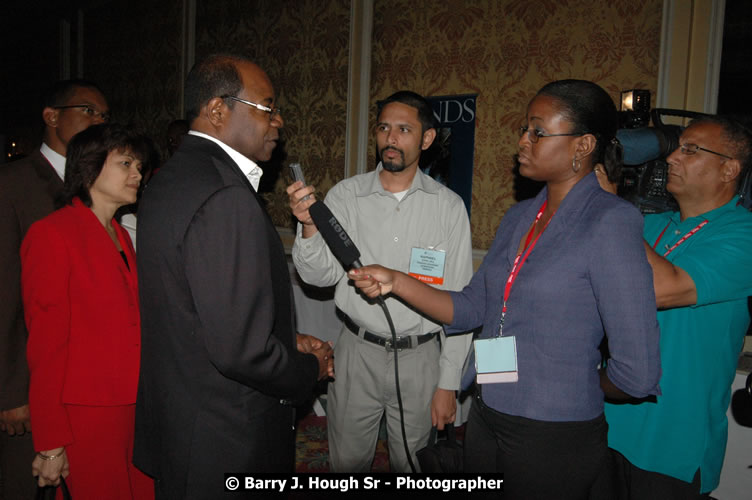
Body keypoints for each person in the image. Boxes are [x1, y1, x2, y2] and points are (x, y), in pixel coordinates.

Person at [349, 80, 662, 498]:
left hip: (552, 431)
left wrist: (576, 379)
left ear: (583, 146)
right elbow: (472, 307)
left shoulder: (609, 222)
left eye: (538, 131)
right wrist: (397, 281)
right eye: (523, 130)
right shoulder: (519, 217)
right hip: (486, 412)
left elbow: (637, 374)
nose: (522, 142)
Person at [133, 54, 333, 499]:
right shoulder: (225, 194)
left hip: (184, 422)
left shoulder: (171, 179)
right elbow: (241, 352)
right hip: (226, 441)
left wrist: (281, 337)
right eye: (268, 107)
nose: (278, 121)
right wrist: (306, 369)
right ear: (218, 110)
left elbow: (196, 308)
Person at [288, 90, 474, 472]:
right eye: (384, 128)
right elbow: (316, 275)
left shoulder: (448, 207)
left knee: (415, 465)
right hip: (357, 352)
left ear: (426, 139)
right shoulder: (347, 195)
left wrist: (448, 382)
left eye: (404, 129)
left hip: (421, 358)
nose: (391, 138)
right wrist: (308, 226)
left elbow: (459, 304)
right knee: (348, 463)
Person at [604, 116, 752, 499]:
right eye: (675, 147)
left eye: (690, 150)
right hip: (610, 419)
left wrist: (610, 210)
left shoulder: (743, 233)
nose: (671, 158)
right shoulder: (653, 226)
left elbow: (662, 289)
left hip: (673, 443)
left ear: (730, 168)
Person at [21, 123, 153, 499]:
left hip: (133, 405)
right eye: (125, 163)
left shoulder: (123, 234)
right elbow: (45, 348)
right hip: (84, 414)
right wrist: (50, 443)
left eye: (139, 166)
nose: (137, 174)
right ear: (89, 168)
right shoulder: (53, 234)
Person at [0, 79, 108, 500]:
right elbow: (5, 293)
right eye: (88, 111)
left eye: (104, 116)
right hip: (29, 380)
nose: (98, 121)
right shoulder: (13, 183)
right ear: (51, 117)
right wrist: (10, 391)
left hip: (84, 380)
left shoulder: (99, 184)